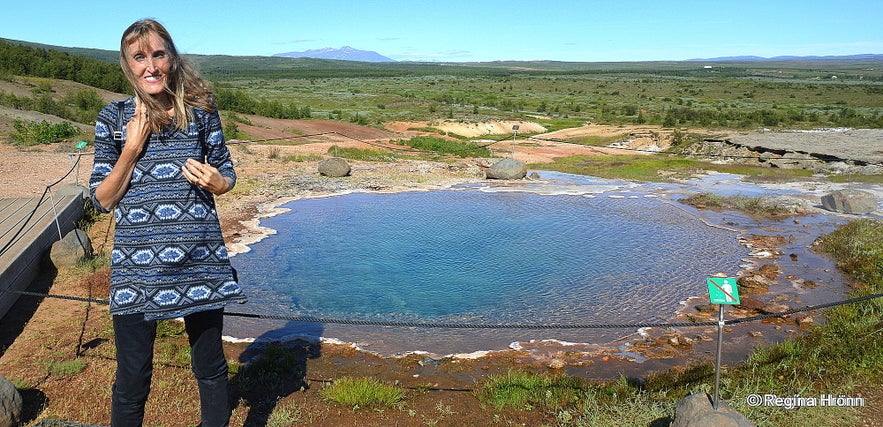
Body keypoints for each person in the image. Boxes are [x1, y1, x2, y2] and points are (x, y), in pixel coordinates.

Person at [89, 18, 246, 427]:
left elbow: (226, 170)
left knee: (211, 370)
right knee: (132, 380)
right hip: (138, 269)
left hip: (200, 258)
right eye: (140, 57)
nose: (151, 66)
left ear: (171, 58)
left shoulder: (202, 112)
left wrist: (221, 182)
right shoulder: (113, 118)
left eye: (158, 54)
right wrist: (131, 148)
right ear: (128, 66)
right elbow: (103, 199)